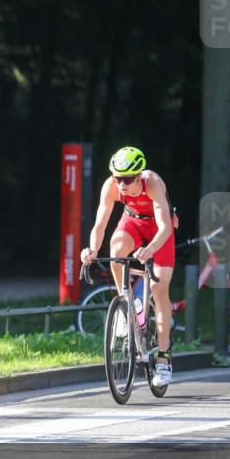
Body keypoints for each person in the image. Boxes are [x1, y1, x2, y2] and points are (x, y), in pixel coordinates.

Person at [80, 146, 176, 387]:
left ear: (138, 175)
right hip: (132, 221)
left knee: (159, 289)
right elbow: (100, 225)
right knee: (116, 248)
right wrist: (91, 249)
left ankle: (163, 359)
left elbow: (165, 226)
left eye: (127, 179)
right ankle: (127, 302)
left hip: (158, 229)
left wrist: (151, 248)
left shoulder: (153, 183)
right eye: (117, 178)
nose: (121, 184)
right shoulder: (111, 186)